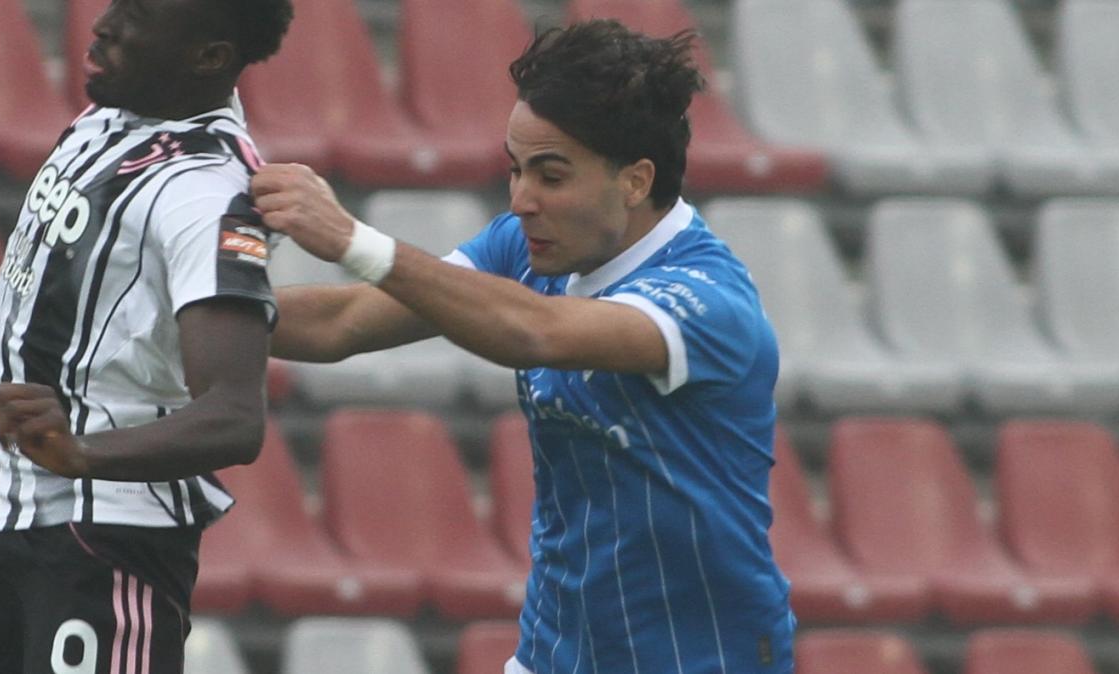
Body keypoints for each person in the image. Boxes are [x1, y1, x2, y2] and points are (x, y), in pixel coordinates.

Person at [254, 18, 795, 674]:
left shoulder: (708, 300)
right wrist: (181, 311)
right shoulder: (524, 246)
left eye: (551, 177)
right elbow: (343, 321)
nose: (521, 200)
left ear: (634, 180)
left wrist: (352, 241)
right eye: (516, 170)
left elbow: (539, 332)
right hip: (552, 653)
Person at [0, 1, 293, 672]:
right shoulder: (110, 116)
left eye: (136, 14)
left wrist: (81, 452)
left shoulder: (207, 193)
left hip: (100, 546)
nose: (104, 24)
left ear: (209, 57)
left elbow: (234, 416)